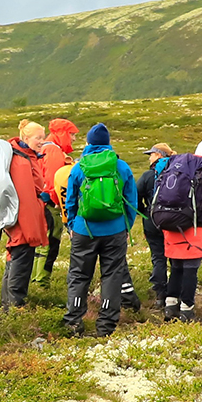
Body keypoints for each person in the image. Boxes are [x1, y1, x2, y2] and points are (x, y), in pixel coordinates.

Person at [60, 123, 140, 336]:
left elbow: (70, 202)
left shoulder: (78, 167)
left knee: (78, 276)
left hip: (84, 231)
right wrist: (125, 227)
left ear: (88, 143)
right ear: (108, 143)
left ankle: (74, 322)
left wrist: (72, 226)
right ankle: (105, 326)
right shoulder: (121, 167)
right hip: (115, 231)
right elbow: (132, 201)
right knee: (112, 276)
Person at [157, 140, 202, 322]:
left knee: (175, 268)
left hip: (170, 226)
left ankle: (170, 306)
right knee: (190, 270)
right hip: (192, 230)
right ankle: (186, 310)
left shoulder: (174, 167)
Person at [2, 125, 51, 308]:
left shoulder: (23, 156)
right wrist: (32, 233)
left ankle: (6, 308)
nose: (41, 141)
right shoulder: (22, 162)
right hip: (24, 224)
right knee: (20, 266)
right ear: (26, 137)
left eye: (43, 137)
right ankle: (14, 310)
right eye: (38, 137)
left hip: (18, 223)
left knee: (13, 261)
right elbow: (25, 199)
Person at [33, 119, 76, 286]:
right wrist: (58, 203)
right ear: (62, 133)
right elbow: (53, 181)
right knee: (50, 244)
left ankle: (36, 281)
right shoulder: (53, 150)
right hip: (50, 206)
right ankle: (41, 284)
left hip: (40, 204)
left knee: (41, 244)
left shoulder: (44, 147)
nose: (73, 139)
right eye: (71, 134)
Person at [137, 143, 176, 303]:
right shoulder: (177, 174)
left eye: (151, 154)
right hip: (174, 222)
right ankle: (174, 294)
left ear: (159, 156)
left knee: (158, 257)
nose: (149, 157)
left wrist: (145, 212)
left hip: (152, 222)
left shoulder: (147, 176)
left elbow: (135, 197)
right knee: (175, 258)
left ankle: (160, 295)